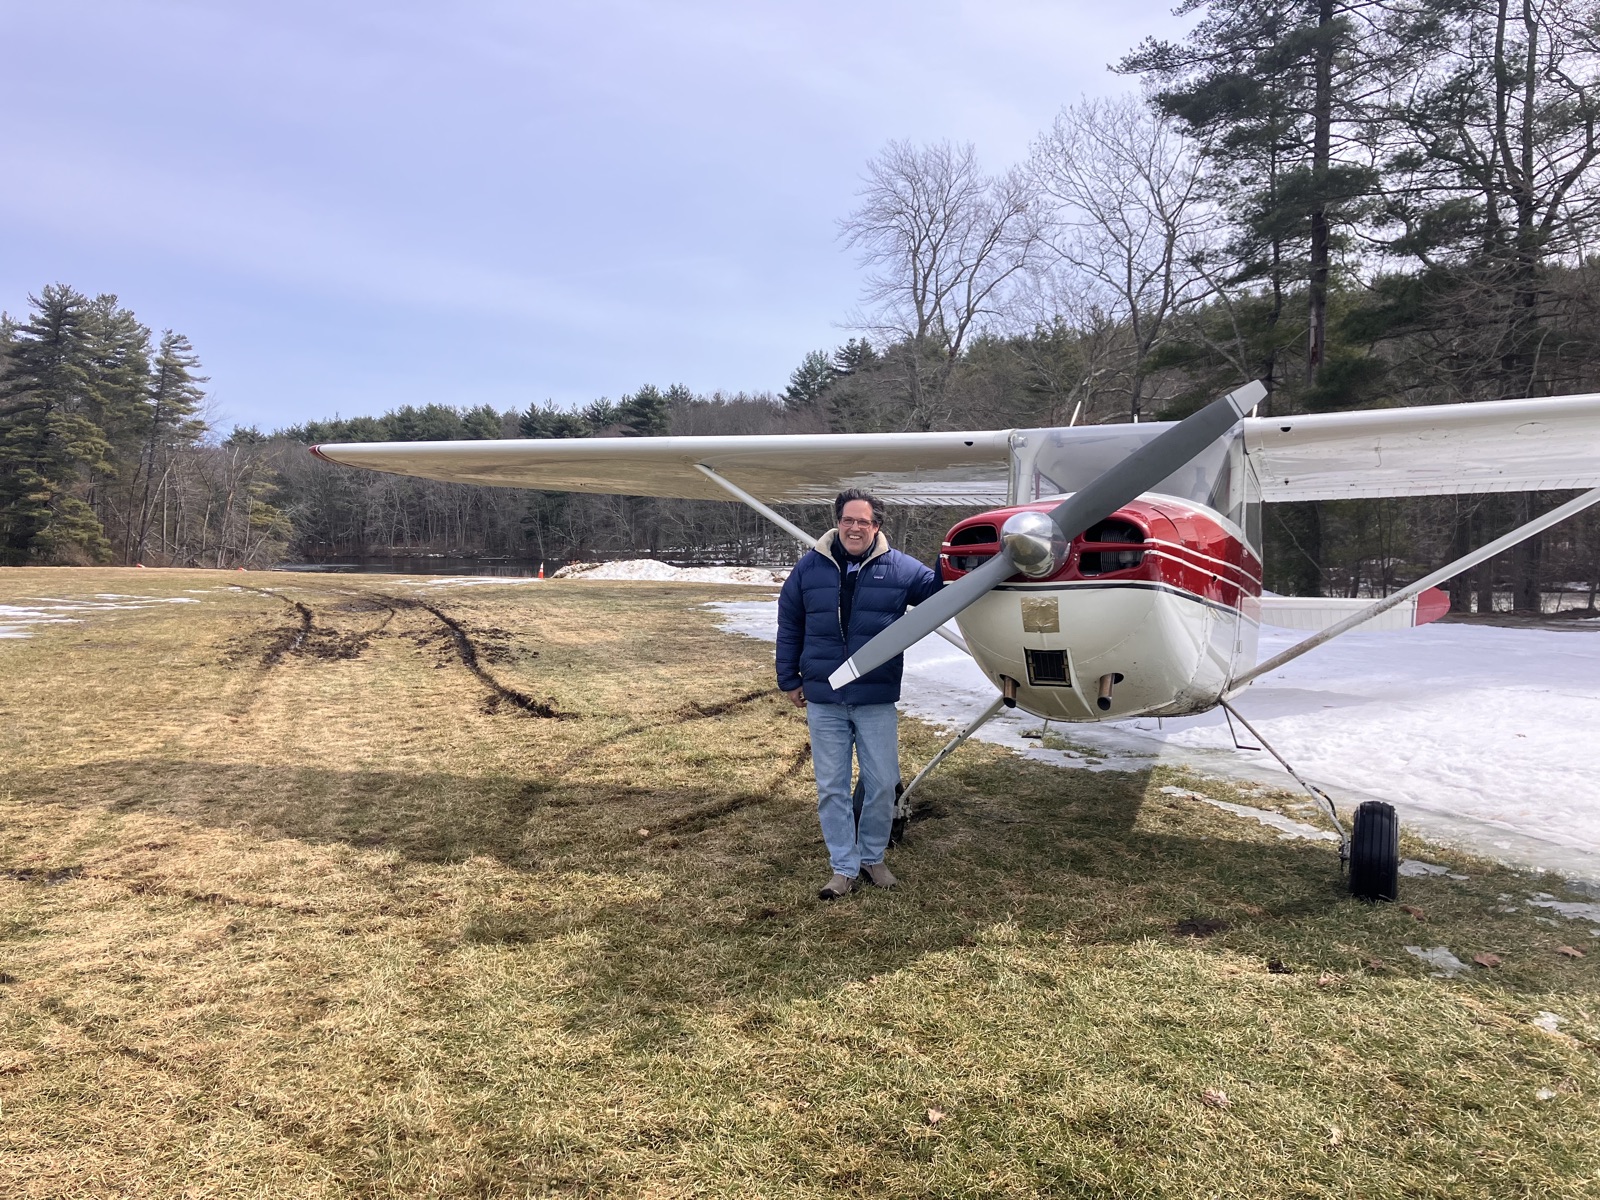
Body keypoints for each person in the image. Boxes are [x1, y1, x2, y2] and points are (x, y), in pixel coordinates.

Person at [775, 488, 943, 900]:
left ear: (876, 526)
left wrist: (958, 555)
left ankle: (872, 856)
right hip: (824, 698)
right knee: (831, 786)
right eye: (848, 520)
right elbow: (790, 622)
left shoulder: (901, 568)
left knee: (883, 782)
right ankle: (843, 867)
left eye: (863, 521)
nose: (854, 527)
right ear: (838, 522)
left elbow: (941, 590)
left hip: (874, 697)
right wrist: (789, 678)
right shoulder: (809, 568)